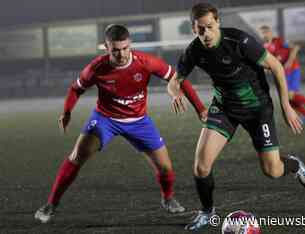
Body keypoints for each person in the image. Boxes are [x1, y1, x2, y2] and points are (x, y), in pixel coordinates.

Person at [34, 24, 205, 223]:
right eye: (115, 50)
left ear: (129, 44)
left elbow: (178, 78)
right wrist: (66, 111)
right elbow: (76, 89)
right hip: (105, 119)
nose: (122, 53)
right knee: (76, 157)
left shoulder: (146, 62)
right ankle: (50, 205)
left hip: (139, 121)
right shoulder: (97, 67)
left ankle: (168, 199)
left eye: (125, 48)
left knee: (166, 168)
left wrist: (200, 108)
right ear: (106, 48)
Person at [168, 3, 305, 231]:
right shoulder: (193, 51)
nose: (205, 34)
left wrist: (285, 105)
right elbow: (174, 81)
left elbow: (276, 67)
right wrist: (174, 91)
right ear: (193, 28)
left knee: (272, 171)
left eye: (209, 27)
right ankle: (207, 212)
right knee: (201, 167)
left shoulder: (239, 42)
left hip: (257, 109)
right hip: (224, 108)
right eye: (200, 29)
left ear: (218, 22)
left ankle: (294, 165)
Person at [259, 25, 305, 123]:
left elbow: (296, 47)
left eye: (266, 32)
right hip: (283, 73)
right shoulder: (264, 47)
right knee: (288, 99)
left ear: (270, 33)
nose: (265, 35)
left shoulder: (279, 41)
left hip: (292, 70)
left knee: (290, 95)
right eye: (262, 33)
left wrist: (290, 61)